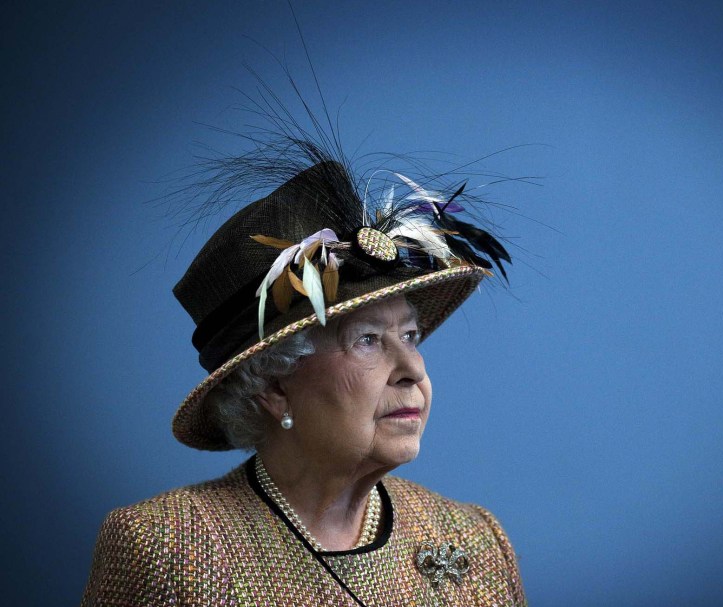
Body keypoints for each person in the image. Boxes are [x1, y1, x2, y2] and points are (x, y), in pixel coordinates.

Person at [80, 151, 525, 605]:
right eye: (367, 340)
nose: (414, 371)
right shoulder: (167, 549)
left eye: (410, 336)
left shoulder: (476, 541)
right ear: (274, 385)